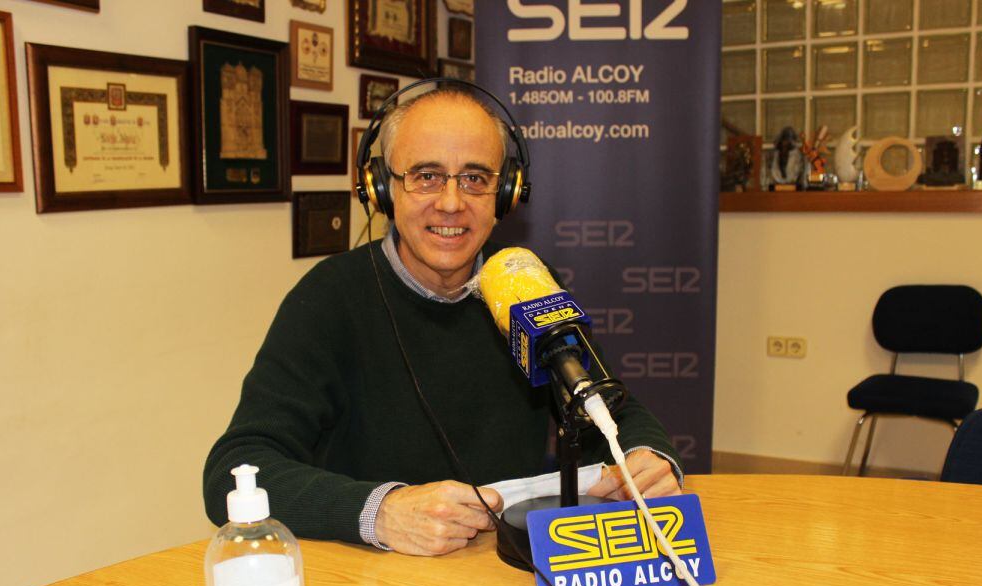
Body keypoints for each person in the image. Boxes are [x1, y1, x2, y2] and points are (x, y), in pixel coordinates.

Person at [203, 87, 683, 556]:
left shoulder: (523, 285)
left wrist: (648, 457)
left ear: (506, 192)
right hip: (374, 578)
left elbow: (603, 409)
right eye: (427, 176)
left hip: (504, 566)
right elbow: (234, 470)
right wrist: (381, 512)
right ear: (383, 188)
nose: (452, 202)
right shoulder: (328, 299)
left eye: (475, 178)